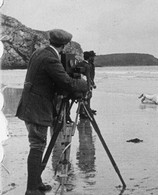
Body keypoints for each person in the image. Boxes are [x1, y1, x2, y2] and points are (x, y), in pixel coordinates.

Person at [16, 29, 88, 195]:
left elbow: (48, 80)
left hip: (31, 104)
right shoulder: (50, 59)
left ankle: (37, 182)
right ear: (64, 45)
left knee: (38, 144)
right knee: (37, 145)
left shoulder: (39, 53)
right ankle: (32, 189)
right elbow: (67, 83)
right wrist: (83, 83)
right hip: (37, 108)